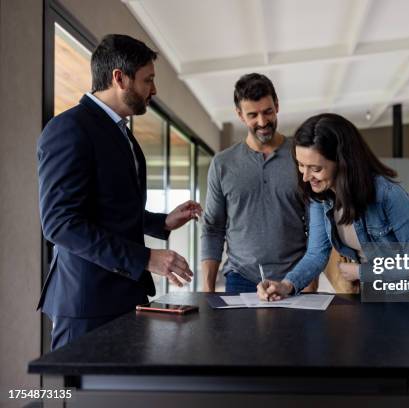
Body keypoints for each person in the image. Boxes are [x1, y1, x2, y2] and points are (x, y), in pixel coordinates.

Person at [37, 34, 202, 350]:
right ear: (119, 78)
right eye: (148, 80)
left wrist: (162, 223)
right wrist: (145, 259)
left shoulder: (123, 134)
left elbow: (108, 210)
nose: (153, 90)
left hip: (126, 297)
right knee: (79, 399)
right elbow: (61, 224)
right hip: (87, 305)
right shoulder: (68, 129)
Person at [257, 113, 409, 300]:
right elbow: (316, 254)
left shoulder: (389, 196)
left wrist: (362, 272)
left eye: (316, 168)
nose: (305, 176)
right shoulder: (320, 198)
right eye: (301, 165)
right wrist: (287, 285)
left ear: (342, 162)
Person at [200, 73, 316, 293]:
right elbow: (213, 228)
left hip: (295, 277)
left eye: (268, 112)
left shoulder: (301, 157)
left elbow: (315, 226)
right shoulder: (222, 164)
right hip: (240, 278)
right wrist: (208, 292)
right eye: (253, 115)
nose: (262, 122)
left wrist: (309, 281)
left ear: (277, 106)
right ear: (240, 115)